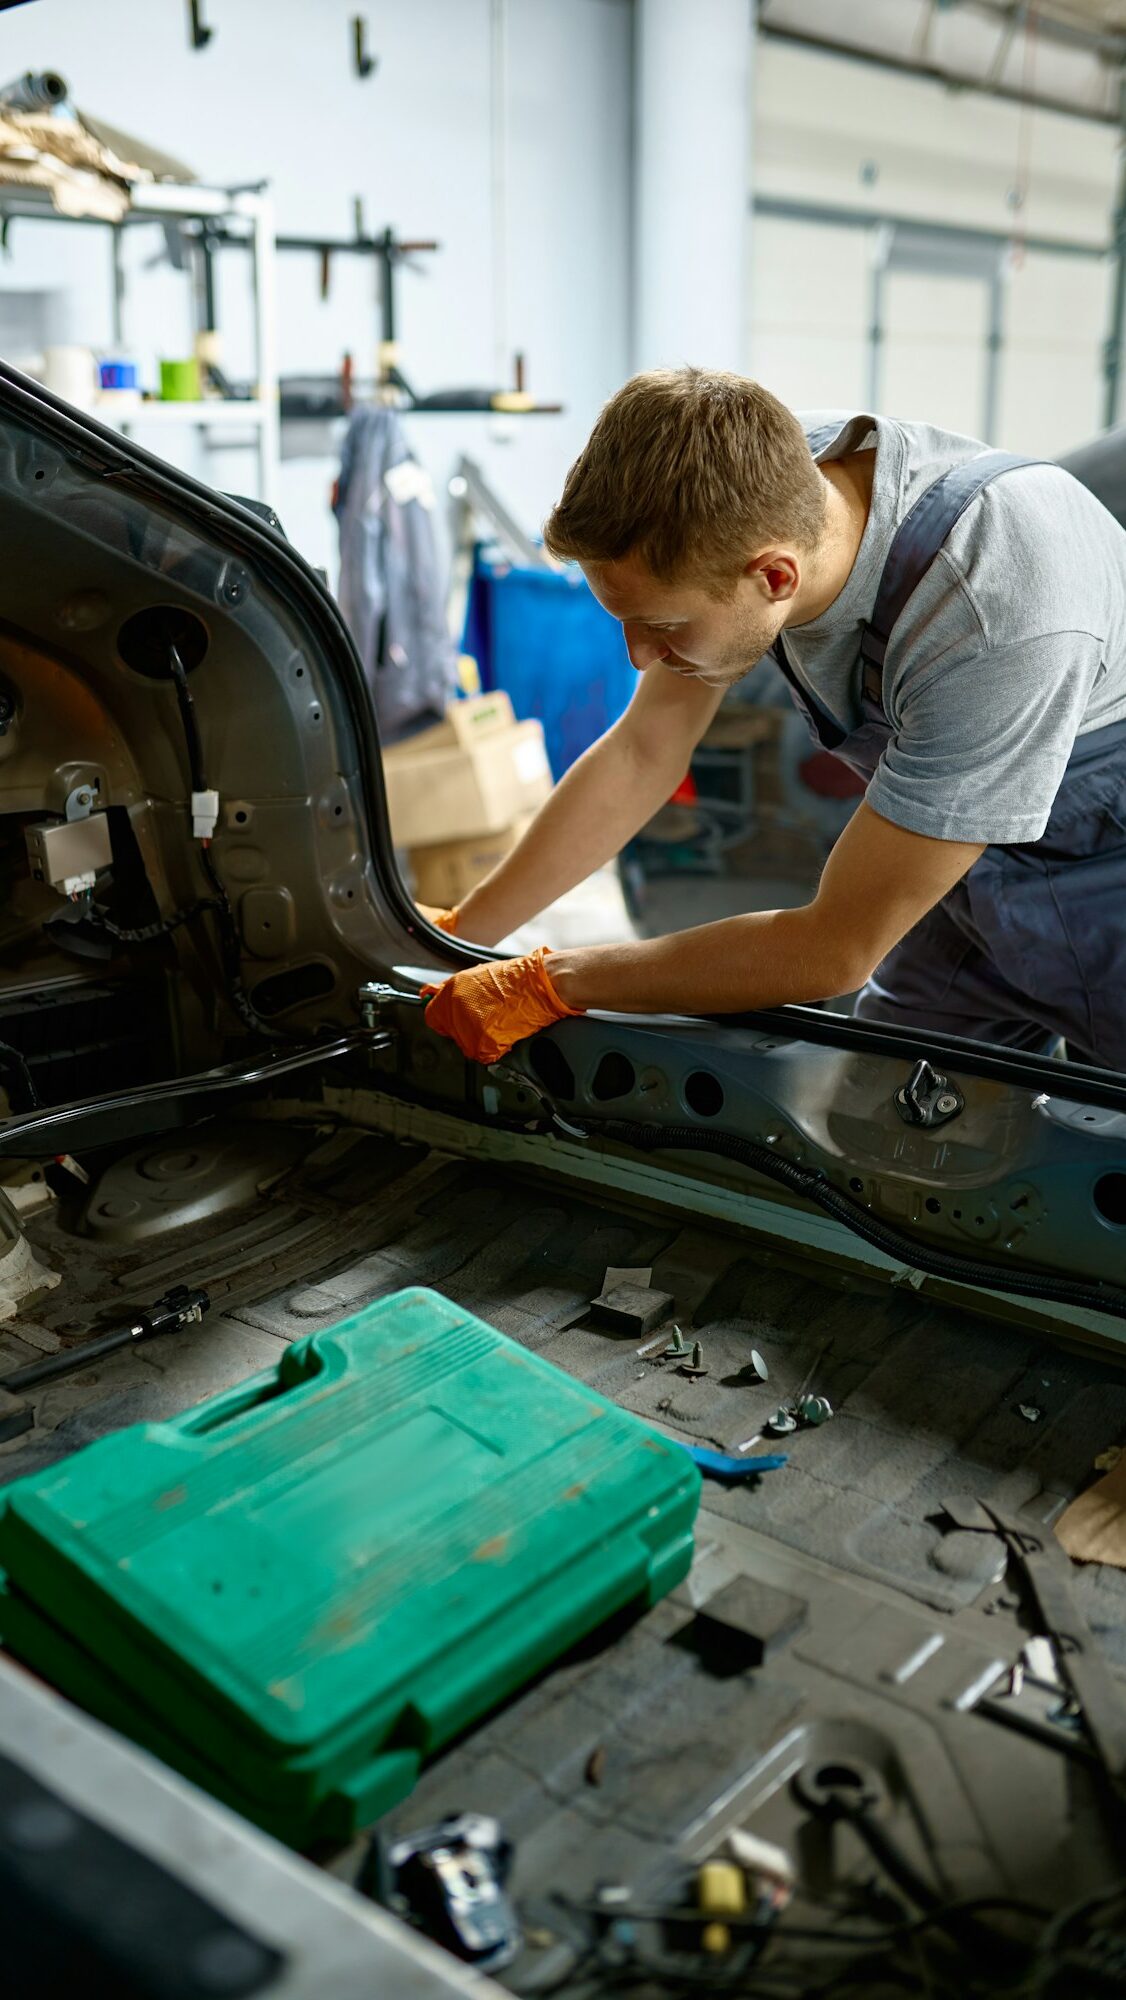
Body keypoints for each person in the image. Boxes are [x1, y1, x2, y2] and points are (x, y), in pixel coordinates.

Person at [421, 368, 1126, 1070]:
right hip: (961, 869)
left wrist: (556, 981)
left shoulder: (989, 615)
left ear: (776, 577)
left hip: (1104, 887)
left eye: (661, 625)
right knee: (883, 1121)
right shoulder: (760, 481)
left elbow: (834, 948)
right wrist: (458, 936)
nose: (640, 658)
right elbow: (644, 751)